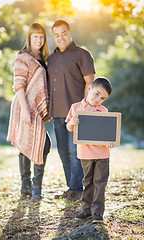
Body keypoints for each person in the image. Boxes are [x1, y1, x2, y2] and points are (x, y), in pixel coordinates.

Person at [47, 20, 95, 201]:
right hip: (57, 113)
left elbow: (90, 84)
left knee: (76, 153)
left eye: (64, 33)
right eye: (56, 35)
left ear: (70, 33)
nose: (61, 37)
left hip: (76, 114)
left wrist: (85, 109)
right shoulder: (51, 59)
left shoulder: (82, 54)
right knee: (63, 153)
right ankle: (72, 189)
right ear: (54, 37)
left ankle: (78, 189)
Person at [7, 22, 51, 199]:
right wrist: (25, 110)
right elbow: (19, 85)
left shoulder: (44, 58)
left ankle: (31, 187)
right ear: (29, 37)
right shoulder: (22, 57)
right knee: (32, 144)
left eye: (42, 36)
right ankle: (30, 186)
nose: (39, 39)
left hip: (37, 109)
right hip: (24, 106)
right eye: (35, 36)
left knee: (42, 145)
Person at [66, 77, 116, 222]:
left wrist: (112, 142)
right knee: (87, 182)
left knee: (100, 183)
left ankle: (98, 213)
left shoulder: (104, 110)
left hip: (102, 154)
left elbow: (109, 133)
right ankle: (86, 210)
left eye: (102, 98)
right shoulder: (76, 108)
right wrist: (72, 122)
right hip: (85, 154)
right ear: (89, 89)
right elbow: (69, 127)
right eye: (96, 94)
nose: (98, 99)